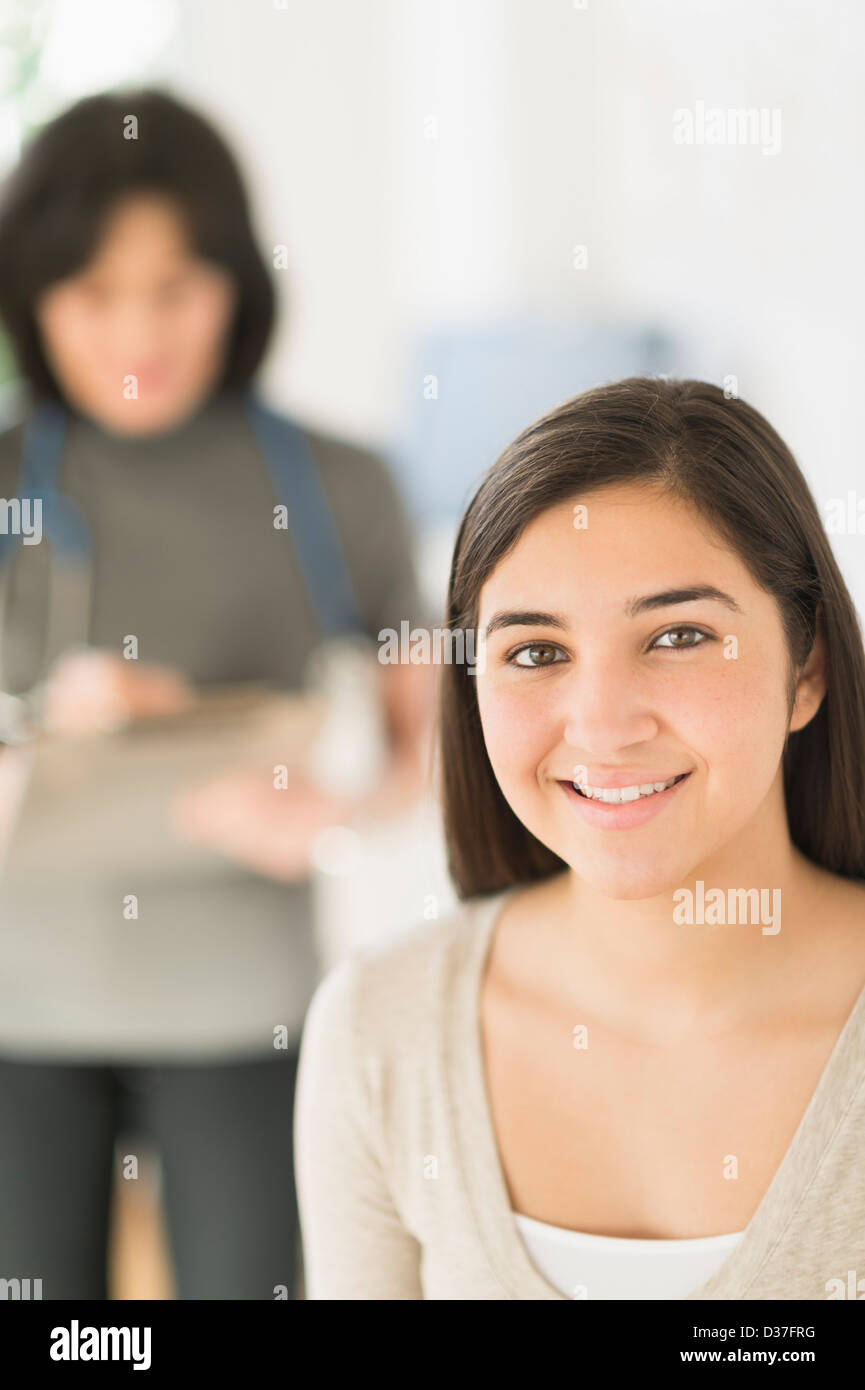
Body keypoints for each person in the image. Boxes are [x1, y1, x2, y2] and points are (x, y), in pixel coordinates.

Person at [294, 375, 865, 1300]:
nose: (601, 727)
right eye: (535, 652)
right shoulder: (377, 1028)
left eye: (678, 636)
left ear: (806, 669)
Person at [0, 88, 432, 1300]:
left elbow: (424, 751)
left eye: (177, 288)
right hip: (15, 1015)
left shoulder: (345, 487)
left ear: (238, 283)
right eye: (92, 294)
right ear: (33, 300)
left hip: (249, 1015)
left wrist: (334, 812)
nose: (139, 332)